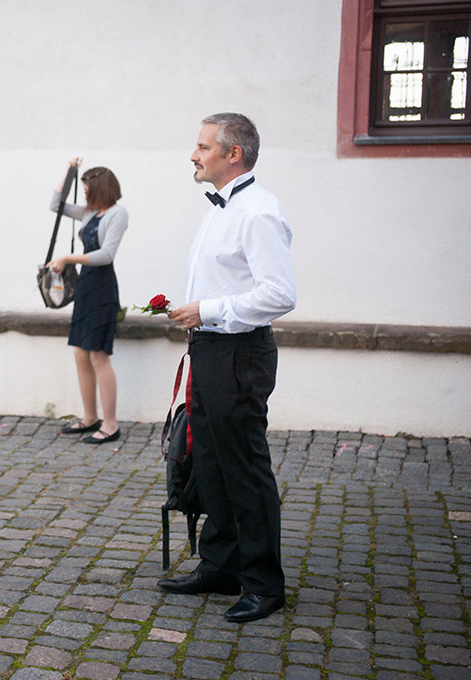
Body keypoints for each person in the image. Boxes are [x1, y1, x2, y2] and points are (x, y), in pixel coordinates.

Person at [161, 113, 297, 623]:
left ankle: (264, 584)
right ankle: (220, 565)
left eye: (202, 146)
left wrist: (209, 310)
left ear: (232, 153)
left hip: (240, 354)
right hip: (211, 350)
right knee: (210, 463)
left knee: (244, 468)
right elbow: (227, 284)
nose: (193, 155)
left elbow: (279, 294)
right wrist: (194, 312)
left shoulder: (258, 212)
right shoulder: (220, 209)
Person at [48, 159, 129, 444]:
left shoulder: (118, 214)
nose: (84, 196)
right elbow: (55, 205)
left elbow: (106, 255)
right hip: (85, 286)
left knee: (98, 355)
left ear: (99, 190)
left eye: (86, 191)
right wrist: (68, 172)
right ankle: (90, 417)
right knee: (81, 353)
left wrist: (67, 258)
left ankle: (110, 423)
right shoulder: (89, 213)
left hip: (103, 287)